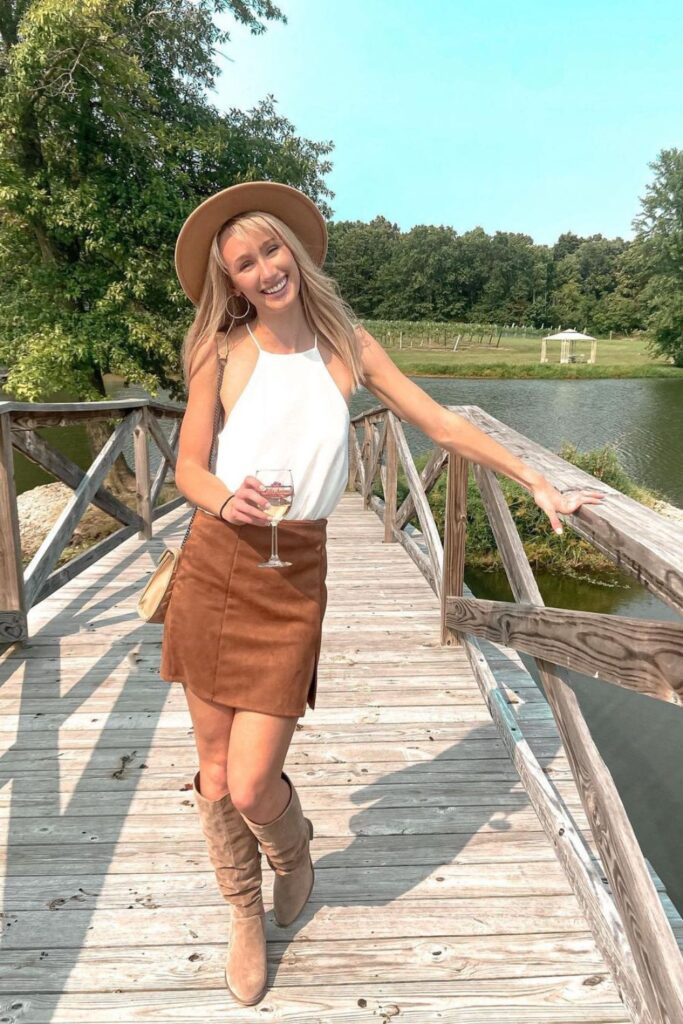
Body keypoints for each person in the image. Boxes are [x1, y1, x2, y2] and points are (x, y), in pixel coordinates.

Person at [159, 181, 605, 1005]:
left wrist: (536, 480)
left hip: (294, 572)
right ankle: (243, 913)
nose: (263, 270)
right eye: (242, 264)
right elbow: (188, 467)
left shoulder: (347, 347)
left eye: (270, 250)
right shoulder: (219, 353)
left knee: (257, 782)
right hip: (217, 561)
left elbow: (441, 426)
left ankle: (292, 855)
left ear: (294, 250)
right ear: (230, 283)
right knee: (216, 773)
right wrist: (224, 497)